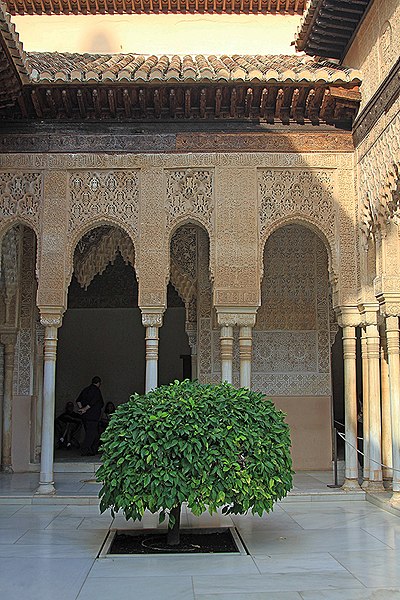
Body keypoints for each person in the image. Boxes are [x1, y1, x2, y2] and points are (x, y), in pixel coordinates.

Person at [76, 376, 104, 456]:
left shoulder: (86, 390)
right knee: (91, 434)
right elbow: (93, 402)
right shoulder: (96, 391)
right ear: (99, 383)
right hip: (93, 416)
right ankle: (86, 450)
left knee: (93, 434)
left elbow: (78, 400)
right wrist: (85, 409)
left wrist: (81, 408)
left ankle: (92, 450)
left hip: (85, 416)